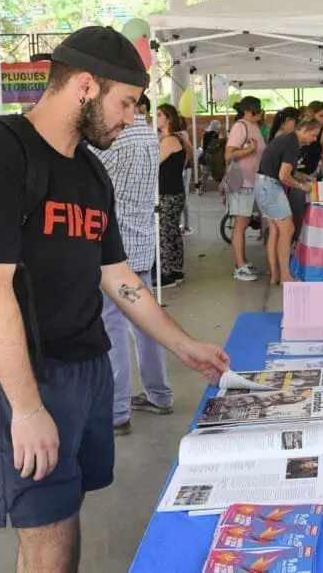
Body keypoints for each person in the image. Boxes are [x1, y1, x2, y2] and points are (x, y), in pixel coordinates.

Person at [0, 26, 229, 573]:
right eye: (125, 103)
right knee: (46, 534)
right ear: (83, 86)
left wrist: (183, 345)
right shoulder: (0, 155)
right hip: (25, 372)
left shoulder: (90, 171)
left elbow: (117, 274)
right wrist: (27, 408)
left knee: (66, 512)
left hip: (84, 365)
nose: (130, 119)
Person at [90, 92, 173, 434]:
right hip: (140, 241)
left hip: (114, 251)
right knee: (147, 324)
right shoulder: (151, 137)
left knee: (112, 329)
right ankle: (159, 394)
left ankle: (117, 411)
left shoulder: (113, 141)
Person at [254, 117, 320, 284]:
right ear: (303, 131)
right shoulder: (292, 144)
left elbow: (283, 170)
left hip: (263, 184)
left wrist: (303, 176)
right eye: (312, 135)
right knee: (288, 230)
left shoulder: (285, 139)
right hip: (270, 187)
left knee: (275, 232)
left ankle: (275, 274)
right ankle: (285, 276)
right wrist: (301, 186)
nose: (313, 140)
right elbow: (284, 176)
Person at [225, 96, 267, 281]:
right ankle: (239, 266)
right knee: (240, 224)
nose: (260, 113)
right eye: (257, 109)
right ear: (248, 111)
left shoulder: (254, 127)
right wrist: (250, 150)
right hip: (241, 181)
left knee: (244, 222)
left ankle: (243, 262)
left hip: (252, 181)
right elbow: (229, 154)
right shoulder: (240, 126)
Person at [155, 103, 191, 287]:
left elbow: (153, 163)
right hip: (174, 189)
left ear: (168, 118)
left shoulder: (169, 141)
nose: (156, 117)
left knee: (164, 232)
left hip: (167, 192)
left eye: (159, 114)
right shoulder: (176, 138)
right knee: (172, 230)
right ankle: (175, 268)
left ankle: (165, 272)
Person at [287, 101, 323, 238]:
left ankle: (305, 239)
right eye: (321, 116)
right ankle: (296, 239)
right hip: (292, 176)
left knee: (310, 210)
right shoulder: (298, 128)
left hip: (310, 176)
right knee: (296, 211)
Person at [196, 119, 221, 195]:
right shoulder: (218, 135)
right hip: (214, 156)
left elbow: (202, 146)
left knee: (205, 173)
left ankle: (200, 189)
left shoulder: (205, 134)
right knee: (220, 171)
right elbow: (219, 146)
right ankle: (223, 189)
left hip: (205, 155)